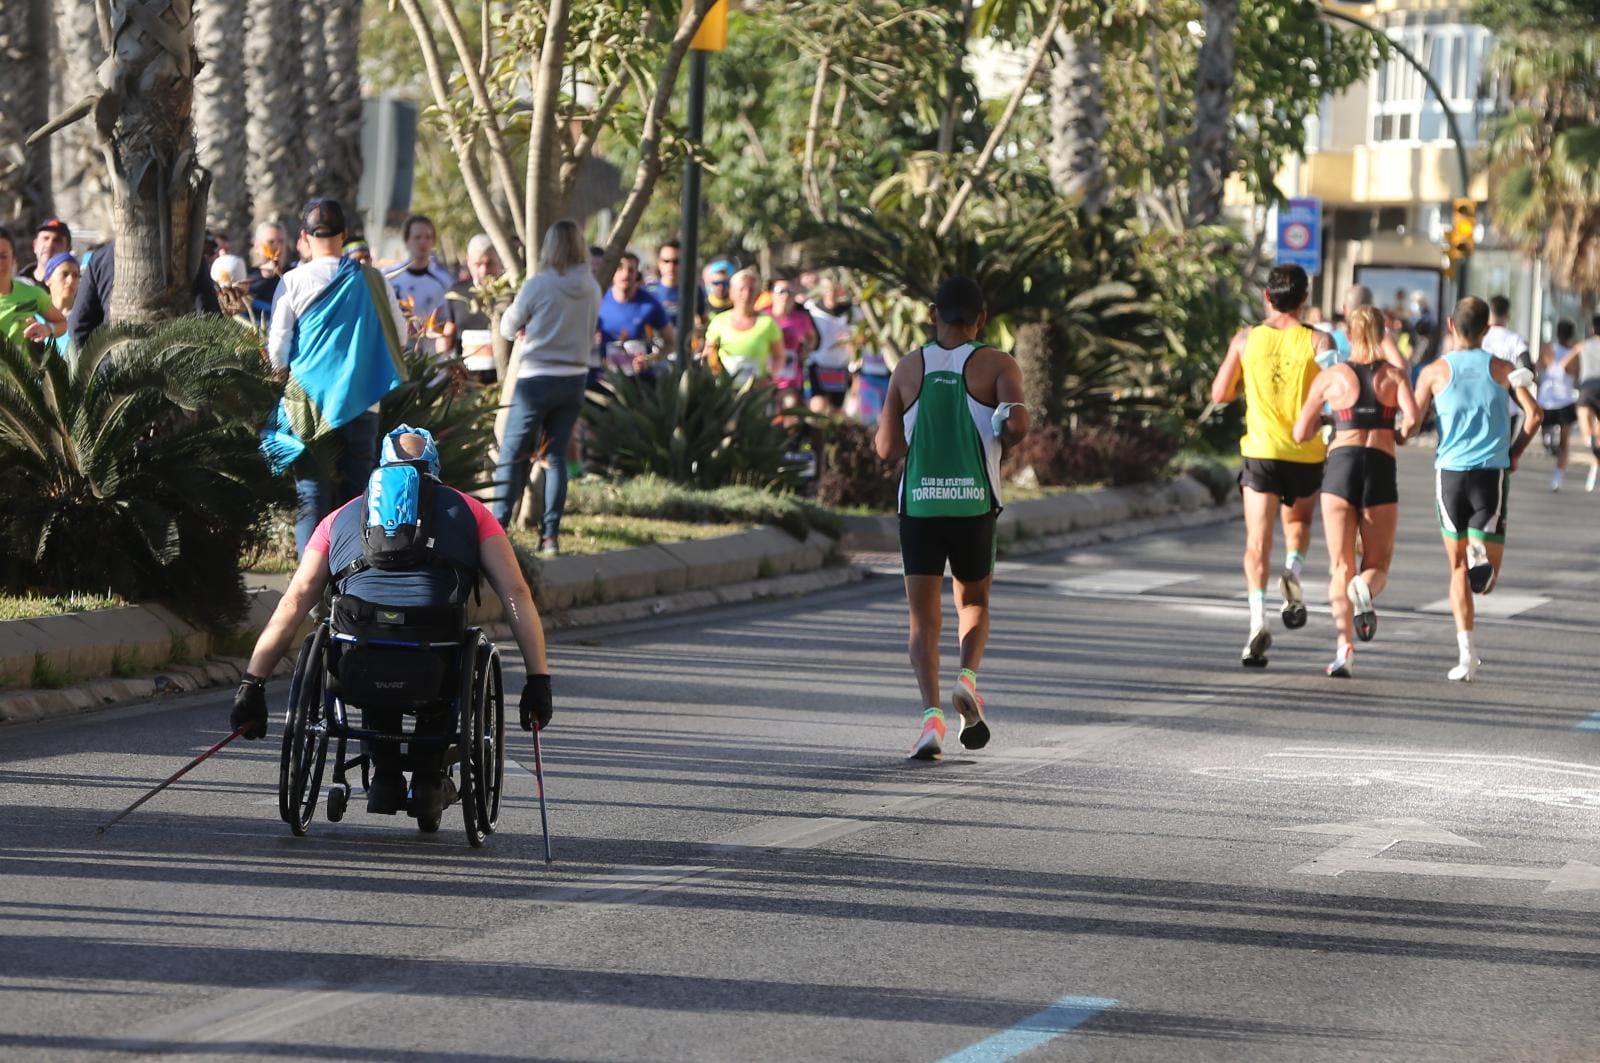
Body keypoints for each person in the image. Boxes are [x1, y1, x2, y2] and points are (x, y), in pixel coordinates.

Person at [230, 427, 554, 822]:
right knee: (443, 657)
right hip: (435, 652)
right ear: (434, 470)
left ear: (380, 471)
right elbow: (516, 593)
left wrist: (253, 683)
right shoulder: (472, 512)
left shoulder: (340, 516)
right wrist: (539, 678)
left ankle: (384, 774)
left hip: (357, 658)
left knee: (371, 647)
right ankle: (428, 777)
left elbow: (297, 599)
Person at [874, 277, 1029, 760]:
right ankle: (966, 679)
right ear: (981, 318)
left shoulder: (907, 367)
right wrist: (1001, 427)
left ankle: (931, 720)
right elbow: (1019, 426)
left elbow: (886, 448)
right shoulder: (998, 364)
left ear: (931, 314)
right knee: (974, 602)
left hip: (919, 506)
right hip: (974, 505)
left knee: (923, 620)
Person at [261, 198, 409, 555]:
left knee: (311, 494)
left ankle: (308, 592)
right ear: (344, 235)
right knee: (358, 492)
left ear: (305, 237)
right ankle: (351, 577)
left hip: (308, 402)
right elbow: (400, 337)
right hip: (363, 400)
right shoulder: (372, 279)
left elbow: (278, 349)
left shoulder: (294, 281)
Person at [1409, 296, 1541, 682]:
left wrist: (1398, 431)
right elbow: (1535, 414)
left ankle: (1467, 657)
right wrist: (1515, 452)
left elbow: (1413, 423)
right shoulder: (1502, 368)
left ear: (1450, 326)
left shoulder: (1433, 372)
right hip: (1491, 474)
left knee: (1456, 568)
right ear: (1486, 331)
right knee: (1484, 579)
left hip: (1448, 475)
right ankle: (1480, 549)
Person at [1210, 264, 1332, 667]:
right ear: (1304, 299)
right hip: (1305, 452)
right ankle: (1293, 574)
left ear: (1266, 296)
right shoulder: (1318, 341)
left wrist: (1250, 380)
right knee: (1297, 528)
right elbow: (1337, 388)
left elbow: (1220, 392)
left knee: (1256, 543)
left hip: (1261, 452)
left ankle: (1256, 625)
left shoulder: (1246, 340)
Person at [1293, 306, 1419, 677]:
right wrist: (1397, 434)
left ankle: (1343, 648)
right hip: (1379, 467)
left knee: (1339, 565)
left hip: (1340, 467)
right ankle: (1364, 589)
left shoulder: (1331, 377)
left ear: (1348, 332)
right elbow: (1411, 421)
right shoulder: (1394, 376)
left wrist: (1330, 420)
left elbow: (1301, 432)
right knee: (1376, 564)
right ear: (1382, 334)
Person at [494, 220, 603, 556]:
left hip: (536, 378)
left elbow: (509, 326)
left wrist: (527, 327)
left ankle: (496, 528)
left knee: (511, 453)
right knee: (555, 457)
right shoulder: (592, 287)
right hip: (574, 379)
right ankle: (550, 536)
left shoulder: (538, 285)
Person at [68, 239, 223, 348]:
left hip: (114, 375)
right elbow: (211, 321)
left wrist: (97, 370)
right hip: (176, 375)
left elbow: (79, 328)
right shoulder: (186, 255)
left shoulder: (102, 258)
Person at [384, 214, 457, 355]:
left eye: (428, 237)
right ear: (406, 241)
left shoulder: (445, 280)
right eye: (417, 237)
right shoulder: (389, 277)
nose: (423, 242)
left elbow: (450, 319)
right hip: (398, 351)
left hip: (433, 353)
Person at [597, 251, 674, 377]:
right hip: (605, 381)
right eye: (620, 268)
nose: (625, 274)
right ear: (612, 272)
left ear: (637, 274)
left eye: (631, 270)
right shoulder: (599, 300)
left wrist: (649, 360)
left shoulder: (650, 304)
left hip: (640, 384)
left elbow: (671, 342)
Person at [703, 269, 784, 386]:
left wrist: (769, 378)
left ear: (758, 294)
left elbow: (779, 356)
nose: (746, 294)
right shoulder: (719, 322)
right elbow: (709, 354)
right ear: (732, 292)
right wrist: (715, 374)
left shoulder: (767, 323)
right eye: (741, 289)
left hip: (755, 393)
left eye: (751, 290)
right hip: (725, 393)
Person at [0, 229, 67, 351]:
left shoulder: (33, 294)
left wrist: (47, 329)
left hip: (19, 369)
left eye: (3, 256)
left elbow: (62, 323)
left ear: (14, 258)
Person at [447, 234, 503, 375]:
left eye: (490, 263)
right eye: (478, 264)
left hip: (504, 378)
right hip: (468, 382)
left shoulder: (509, 295)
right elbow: (448, 336)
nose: (484, 271)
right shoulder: (457, 293)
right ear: (469, 262)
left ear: (500, 262)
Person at [1537, 319, 1580, 491]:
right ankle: (1557, 477)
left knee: (1547, 437)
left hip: (1547, 401)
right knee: (1564, 444)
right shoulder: (1573, 354)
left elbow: (1537, 368)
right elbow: (1576, 375)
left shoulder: (1548, 349)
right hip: (1564, 402)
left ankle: (1556, 473)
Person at [806, 276, 855, 413]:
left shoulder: (851, 311)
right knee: (818, 406)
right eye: (827, 289)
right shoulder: (811, 309)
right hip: (817, 365)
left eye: (834, 289)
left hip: (841, 368)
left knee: (837, 410)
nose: (831, 294)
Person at [768, 275, 817, 407]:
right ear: (772, 294)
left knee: (790, 407)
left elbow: (812, 338)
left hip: (791, 376)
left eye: (790, 292)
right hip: (767, 376)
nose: (785, 296)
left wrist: (807, 349)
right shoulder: (764, 316)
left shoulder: (801, 318)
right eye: (781, 291)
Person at [644, 239, 706, 327]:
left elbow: (702, 320)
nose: (671, 266)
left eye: (676, 262)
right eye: (666, 261)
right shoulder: (647, 290)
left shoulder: (694, 290)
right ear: (659, 263)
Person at [1574, 316, 1600, 491]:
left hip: (1587, 386)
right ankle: (1595, 466)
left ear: (1592, 329)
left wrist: (1576, 375)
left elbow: (1564, 364)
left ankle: (1590, 441)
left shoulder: (1583, 345)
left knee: (1584, 419)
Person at [247, 221, 290, 320]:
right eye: (271, 242)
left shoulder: (295, 276)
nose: (277, 247)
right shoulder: (247, 279)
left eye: (281, 241)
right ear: (257, 246)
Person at [1482, 294, 1531, 369]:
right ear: (1507, 315)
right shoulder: (1515, 339)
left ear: (1489, 314)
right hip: (1506, 379)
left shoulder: (1479, 337)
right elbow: (1527, 364)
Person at [26, 219, 71, 285]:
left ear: (68, 249)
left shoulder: (75, 287)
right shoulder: (16, 284)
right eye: (45, 238)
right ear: (35, 245)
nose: (50, 245)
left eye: (57, 240)